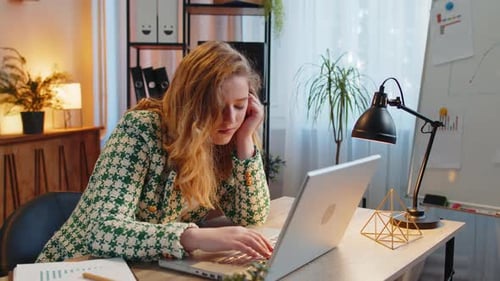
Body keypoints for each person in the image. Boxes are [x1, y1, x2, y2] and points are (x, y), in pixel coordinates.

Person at [37, 41, 272, 263]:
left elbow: (252, 216)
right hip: (75, 265)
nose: (231, 119)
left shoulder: (222, 142)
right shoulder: (140, 129)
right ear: (191, 103)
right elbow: (102, 231)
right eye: (217, 106)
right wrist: (192, 237)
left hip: (140, 267)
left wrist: (244, 139)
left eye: (240, 106)